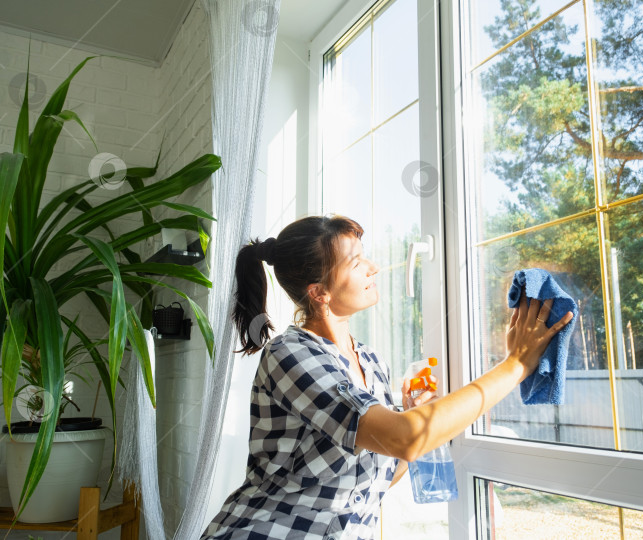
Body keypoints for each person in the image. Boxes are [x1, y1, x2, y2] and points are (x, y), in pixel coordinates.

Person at [202, 215, 572, 540]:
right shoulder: (290, 355)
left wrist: (410, 417)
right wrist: (517, 364)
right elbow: (405, 439)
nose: (374, 267)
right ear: (320, 292)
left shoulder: (372, 363)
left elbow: (381, 476)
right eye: (357, 262)